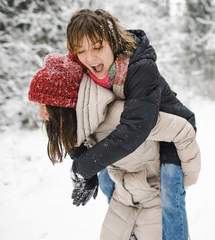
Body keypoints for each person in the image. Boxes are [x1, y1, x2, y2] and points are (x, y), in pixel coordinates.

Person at [28, 53, 201, 240]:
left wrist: (183, 181)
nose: (40, 114)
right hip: (121, 206)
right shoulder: (83, 126)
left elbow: (183, 130)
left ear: (62, 105)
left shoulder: (119, 117)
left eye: (44, 106)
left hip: (155, 205)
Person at [65, 9, 196, 240]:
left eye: (97, 47)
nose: (90, 58)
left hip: (171, 136)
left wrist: (82, 167)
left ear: (113, 41)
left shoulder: (139, 67)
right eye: (81, 51)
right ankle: (134, 230)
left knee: (169, 199)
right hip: (140, 133)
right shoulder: (88, 72)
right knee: (112, 186)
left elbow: (134, 129)